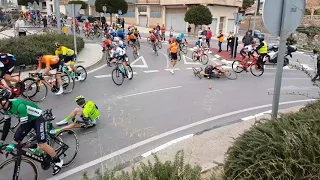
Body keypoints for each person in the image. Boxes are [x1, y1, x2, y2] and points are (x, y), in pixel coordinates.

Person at [0, 89, 63, 175]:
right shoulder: (5, 109)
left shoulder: (19, 106)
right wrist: (1, 141)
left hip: (37, 119)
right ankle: (37, 148)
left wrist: (13, 143)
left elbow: (23, 126)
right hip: (28, 120)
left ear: (3, 102)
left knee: (42, 144)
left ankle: (58, 161)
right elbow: (6, 125)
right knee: (18, 141)